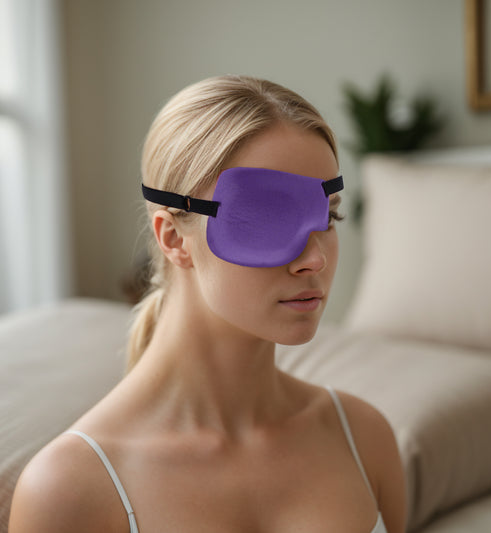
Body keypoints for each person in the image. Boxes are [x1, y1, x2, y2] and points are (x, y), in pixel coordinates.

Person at [9, 75, 407, 533]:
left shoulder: (363, 438)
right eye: (268, 219)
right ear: (173, 238)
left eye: (329, 215)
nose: (315, 258)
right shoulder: (68, 491)